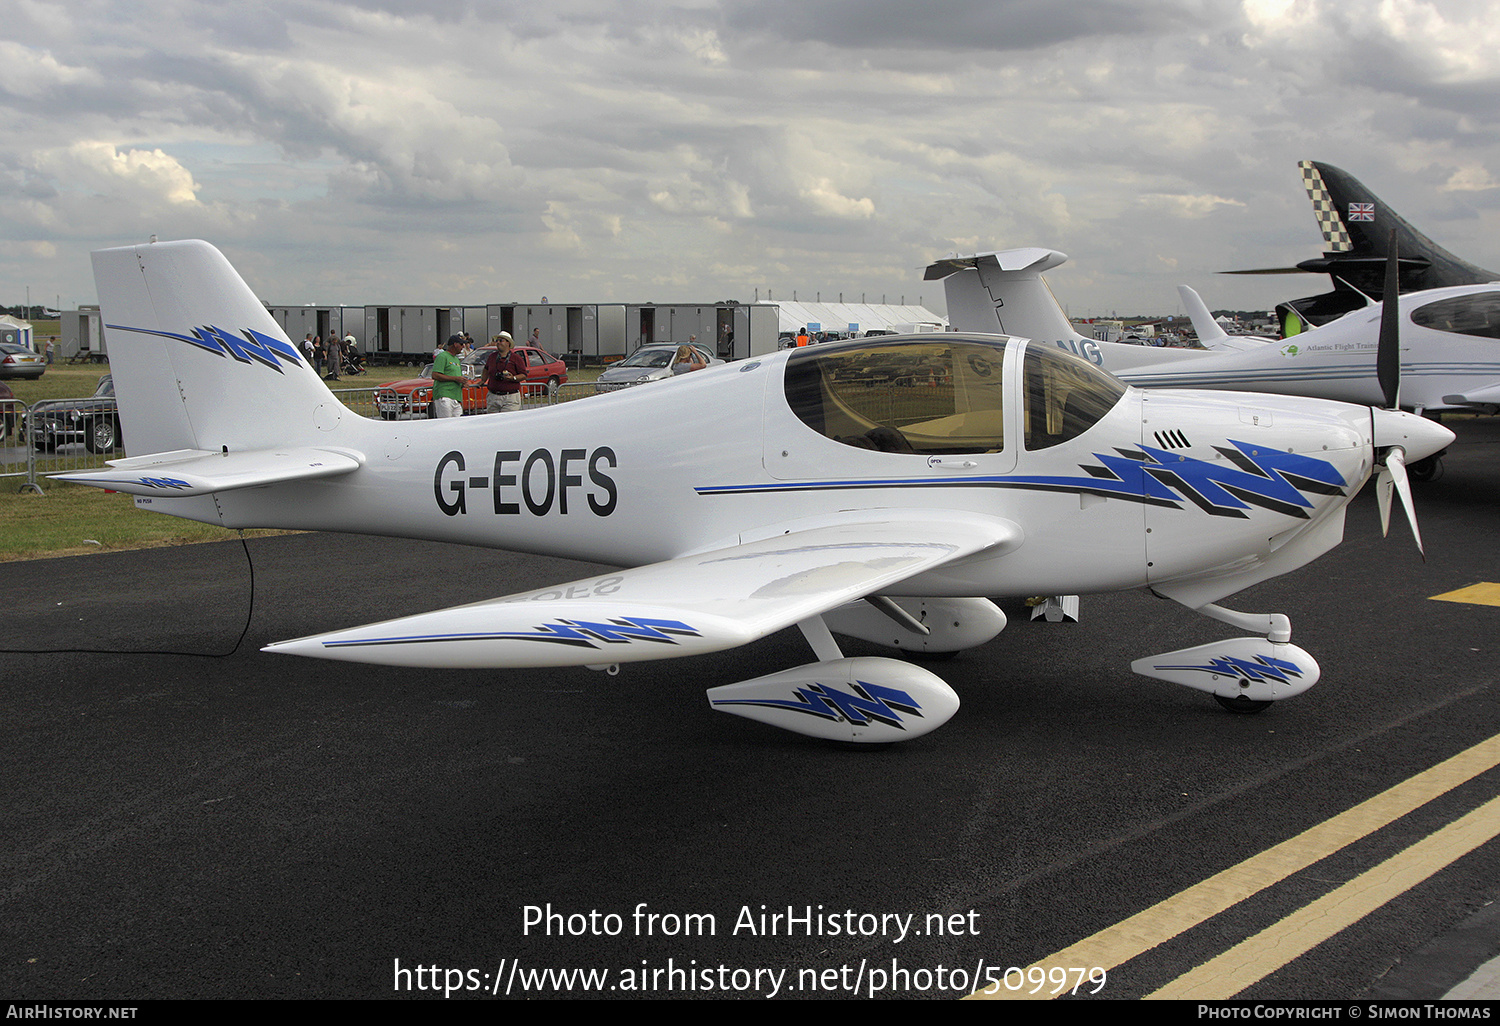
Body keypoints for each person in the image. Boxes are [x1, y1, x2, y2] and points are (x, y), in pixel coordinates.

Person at [484, 331, 528, 413]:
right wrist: (482, 380)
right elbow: (486, 369)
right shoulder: (492, 357)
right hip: (493, 396)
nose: (498, 343)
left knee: (507, 422)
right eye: (497, 341)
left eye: (501, 341)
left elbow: (524, 375)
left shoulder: (516, 358)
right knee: (493, 423)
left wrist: (513, 378)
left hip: (510, 397)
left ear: (508, 343)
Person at [431, 334, 466, 418]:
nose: (463, 346)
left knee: (457, 424)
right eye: (461, 344)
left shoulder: (456, 359)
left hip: (455, 397)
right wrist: (455, 378)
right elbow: (435, 375)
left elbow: (457, 377)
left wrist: (463, 382)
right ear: (455, 344)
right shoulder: (442, 356)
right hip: (445, 396)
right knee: (445, 424)